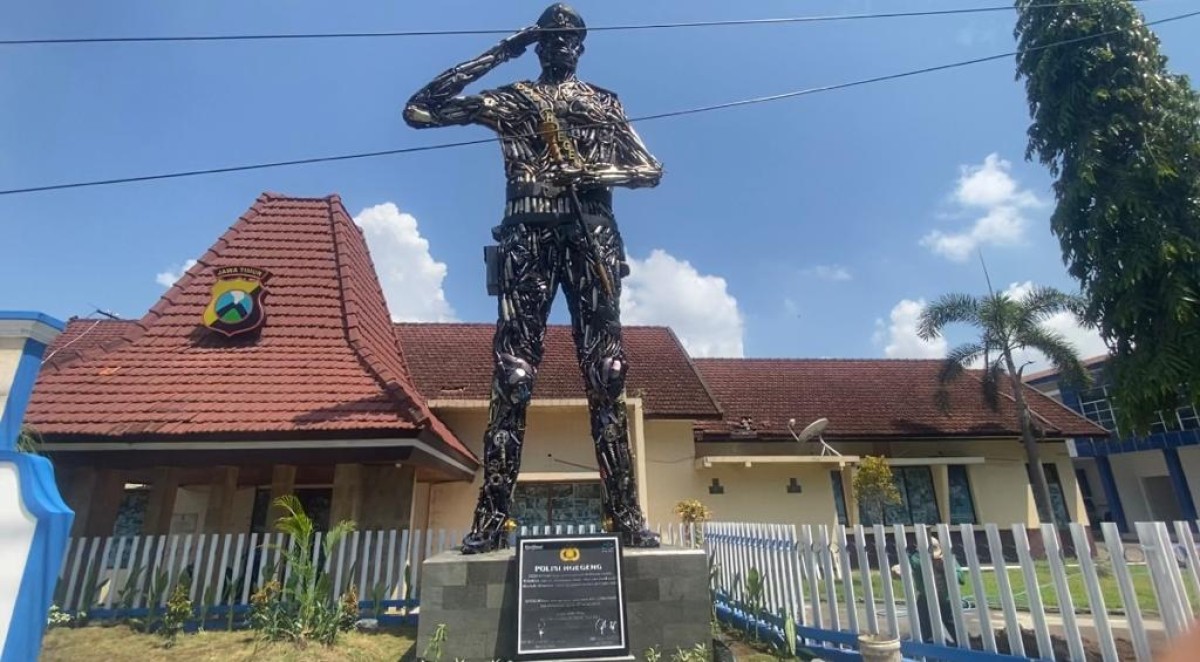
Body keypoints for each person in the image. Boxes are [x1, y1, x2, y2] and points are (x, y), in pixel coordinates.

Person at [403, 4, 663, 554]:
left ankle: (628, 517)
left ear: (581, 46)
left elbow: (648, 169)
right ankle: (491, 522)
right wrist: (502, 50)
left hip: (591, 236)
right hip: (526, 236)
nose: (560, 45)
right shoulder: (514, 98)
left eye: (569, 38)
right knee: (513, 375)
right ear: (537, 43)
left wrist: (590, 172)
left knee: (609, 373)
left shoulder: (602, 102)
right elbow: (421, 110)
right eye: (549, 37)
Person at [892, 535, 964, 644]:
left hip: (947, 599)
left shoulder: (948, 559)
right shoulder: (916, 559)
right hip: (925, 598)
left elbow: (961, 578)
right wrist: (896, 571)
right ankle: (926, 645)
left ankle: (961, 645)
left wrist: (946, 568)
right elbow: (905, 568)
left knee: (952, 624)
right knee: (924, 625)